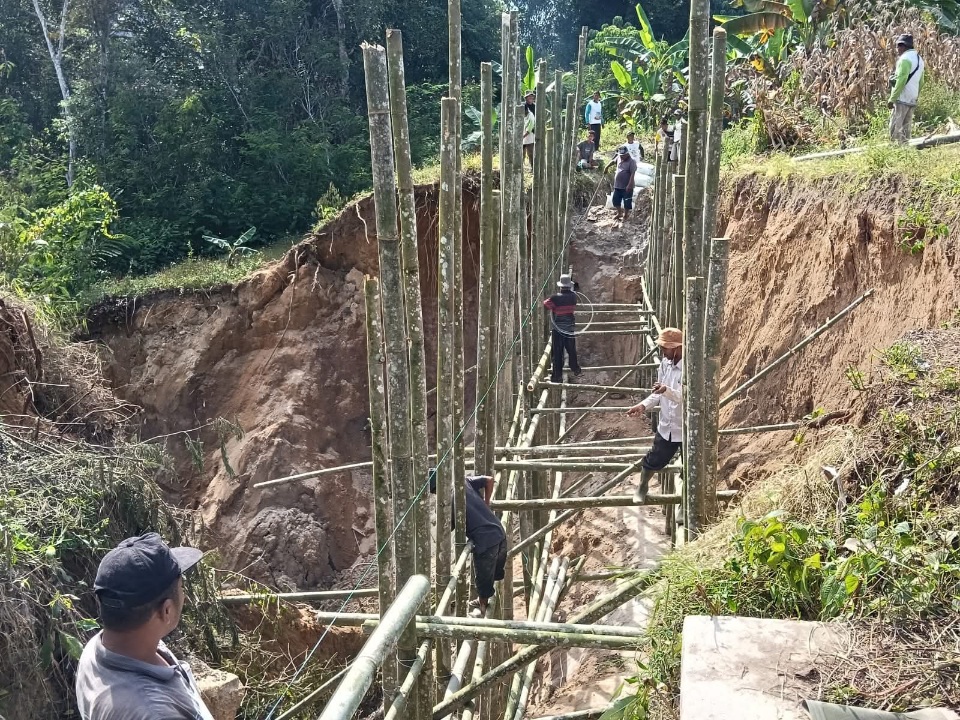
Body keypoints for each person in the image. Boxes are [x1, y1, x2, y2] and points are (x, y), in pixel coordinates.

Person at [75, 533, 214, 720]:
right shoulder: (155, 712)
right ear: (166, 611)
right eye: (182, 588)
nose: (185, 597)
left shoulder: (99, 648)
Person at [430, 471, 506, 617]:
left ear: (436, 489)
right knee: (494, 573)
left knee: (483, 576)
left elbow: (446, 530)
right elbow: (489, 480)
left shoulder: (448, 500)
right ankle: (483, 601)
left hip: (485, 540)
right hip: (498, 531)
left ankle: (482, 610)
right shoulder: (463, 481)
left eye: (434, 492)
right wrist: (486, 503)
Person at [625, 328, 683, 503]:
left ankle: (685, 506)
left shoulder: (690, 367)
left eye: (666, 348)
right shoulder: (665, 364)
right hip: (668, 424)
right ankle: (643, 486)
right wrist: (643, 405)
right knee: (654, 458)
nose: (663, 352)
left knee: (690, 468)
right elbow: (658, 393)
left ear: (678, 348)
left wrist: (666, 390)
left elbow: (683, 396)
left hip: (687, 425)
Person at [543, 273, 582, 382]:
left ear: (560, 286)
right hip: (569, 328)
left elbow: (546, 304)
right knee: (571, 350)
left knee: (557, 353)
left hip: (558, 329)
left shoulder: (555, 298)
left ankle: (557, 376)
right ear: (569, 285)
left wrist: (555, 307)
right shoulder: (574, 296)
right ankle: (575, 368)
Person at [888, 34, 924, 144]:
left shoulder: (904, 59)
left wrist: (892, 98)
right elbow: (921, 82)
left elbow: (901, 80)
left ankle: (895, 151)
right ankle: (905, 150)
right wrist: (915, 95)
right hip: (912, 97)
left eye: (898, 46)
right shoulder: (919, 59)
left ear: (903, 46)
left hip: (902, 98)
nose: (897, 49)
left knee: (895, 127)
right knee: (906, 128)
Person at [605, 146, 637, 222]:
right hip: (618, 185)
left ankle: (625, 215)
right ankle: (619, 213)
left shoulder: (632, 162)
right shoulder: (619, 158)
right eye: (621, 155)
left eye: (623, 155)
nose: (622, 157)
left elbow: (632, 174)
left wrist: (629, 185)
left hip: (627, 186)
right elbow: (613, 161)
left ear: (627, 154)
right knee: (615, 200)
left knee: (627, 201)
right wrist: (606, 167)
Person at [523, 91, 536, 168]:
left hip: (531, 131)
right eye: (529, 97)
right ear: (526, 98)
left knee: (530, 151)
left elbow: (530, 126)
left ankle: (533, 167)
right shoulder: (523, 106)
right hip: (522, 129)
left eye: (532, 97)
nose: (531, 98)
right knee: (521, 151)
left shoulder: (534, 108)